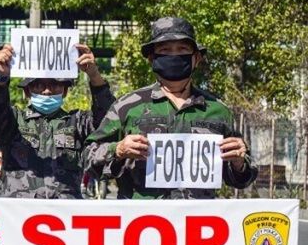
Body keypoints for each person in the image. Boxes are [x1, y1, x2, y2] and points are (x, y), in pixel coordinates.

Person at [86, 17, 256, 198]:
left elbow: (243, 178)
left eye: (182, 49)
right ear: (152, 59)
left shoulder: (218, 110)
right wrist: (118, 150)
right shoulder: (127, 106)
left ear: (196, 58)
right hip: (142, 221)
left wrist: (239, 162)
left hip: (197, 221)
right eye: (165, 50)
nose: (174, 56)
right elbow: (88, 158)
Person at [0, 43, 114, 198]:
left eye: (55, 85)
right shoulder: (14, 121)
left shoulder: (78, 122)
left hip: (63, 215)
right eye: (38, 85)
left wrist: (94, 75)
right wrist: (0, 78)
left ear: (65, 91)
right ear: (27, 91)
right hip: (18, 214)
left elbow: (109, 119)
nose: (47, 91)